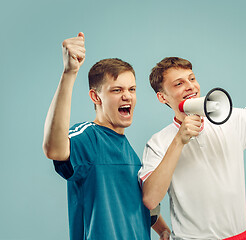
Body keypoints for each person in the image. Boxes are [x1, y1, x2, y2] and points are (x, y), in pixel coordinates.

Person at [139, 36, 246, 239]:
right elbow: (150, 200)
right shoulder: (158, 142)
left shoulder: (230, 118)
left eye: (192, 79)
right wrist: (179, 141)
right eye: (179, 83)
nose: (190, 86)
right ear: (162, 97)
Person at [43, 32, 170, 240]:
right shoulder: (88, 138)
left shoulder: (129, 150)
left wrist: (163, 229)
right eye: (116, 90)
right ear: (95, 96)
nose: (127, 95)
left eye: (132, 89)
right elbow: (54, 149)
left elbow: (131, 203)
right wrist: (69, 73)